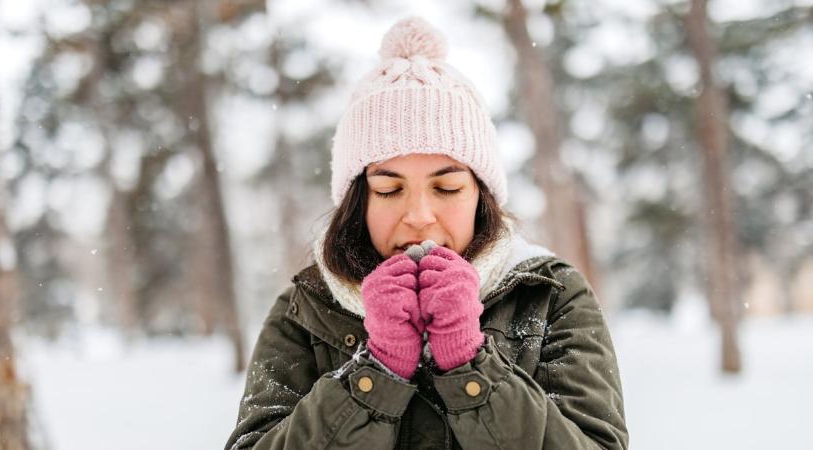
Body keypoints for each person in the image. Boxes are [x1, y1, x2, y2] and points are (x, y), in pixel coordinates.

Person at [225, 16, 628, 450]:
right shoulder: (304, 309)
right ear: (359, 201)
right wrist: (376, 374)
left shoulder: (551, 294)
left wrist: (470, 366)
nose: (419, 216)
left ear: (481, 194)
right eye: (389, 189)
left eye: (447, 187)